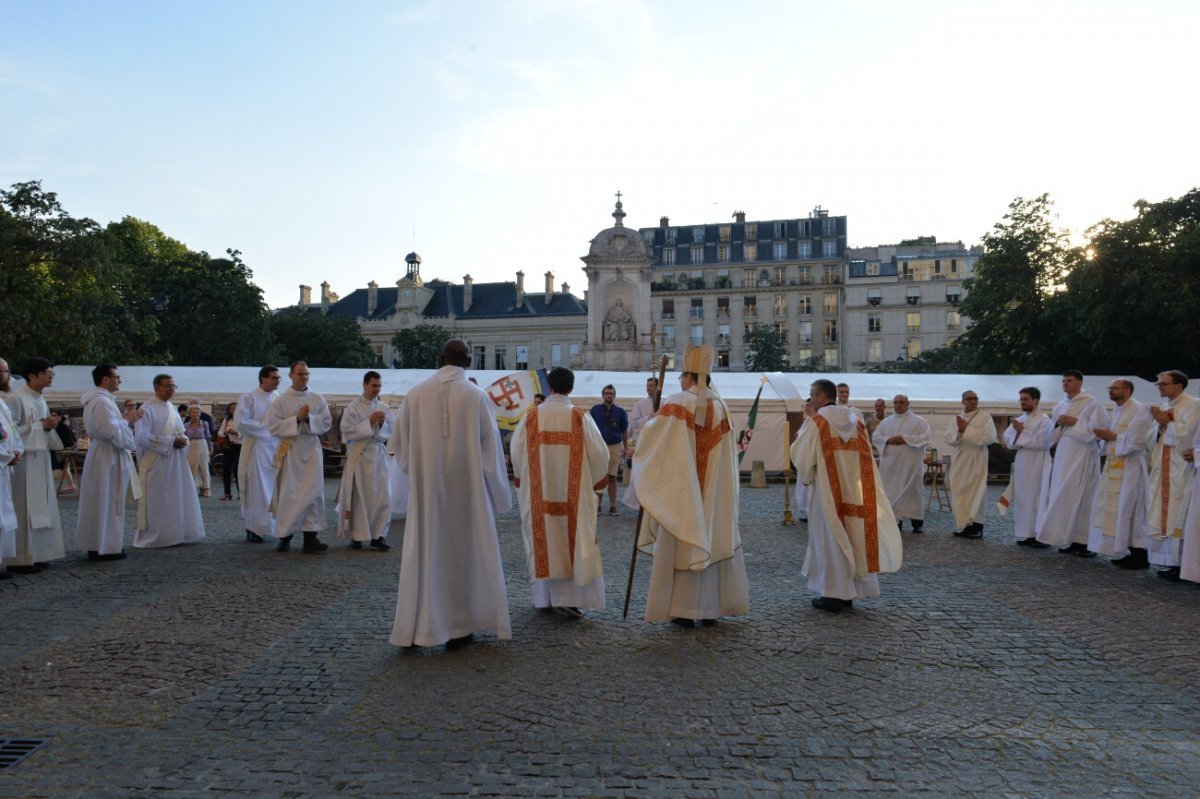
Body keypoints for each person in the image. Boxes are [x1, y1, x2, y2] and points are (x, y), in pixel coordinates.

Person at [390, 340, 512, 650]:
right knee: (463, 555)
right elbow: (491, 452)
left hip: (428, 493)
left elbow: (400, 447)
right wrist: (498, 495)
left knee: (425, 553)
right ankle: (459, 627)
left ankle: (418, 628)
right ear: (468, 361)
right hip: (467, 495)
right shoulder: (476, 396)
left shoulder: (415, 394)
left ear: (440, 358)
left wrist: (419, 472)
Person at [631, 344, 749, 626]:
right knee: (712, 533)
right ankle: (711, 608)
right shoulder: (721, 408)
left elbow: (653, 442)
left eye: (682, 376)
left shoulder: (676, 403)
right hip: (713, 493)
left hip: (683, 494)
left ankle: (683, 610)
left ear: (688, 376)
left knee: (681, 543)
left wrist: (651, 422)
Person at [792, 379, 902, 611]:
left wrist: (804, 469)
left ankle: (833, 594)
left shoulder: (818, 421)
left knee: (829, 541)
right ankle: (850, 592)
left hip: (827, 492)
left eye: (812, 395)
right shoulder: (855, 421)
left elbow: (802, 455)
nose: (810, 399)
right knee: (852, 537)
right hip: (854, 490)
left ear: (822, 397)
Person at [510, 367, 609, 618]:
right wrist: (596, 484)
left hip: (538, 494)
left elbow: (517, 450)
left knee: (544, 540)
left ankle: (544, 599)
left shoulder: (531, 417)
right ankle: (571, 598)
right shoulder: (579, 416)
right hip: (574, 497)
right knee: (574, 541)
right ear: (571, 388)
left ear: (549, 388)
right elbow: (599, 453)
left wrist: (522, 479)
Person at [3, 357, 65, 574]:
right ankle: (20, 557)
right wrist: (40, 426)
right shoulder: (16, 399)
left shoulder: (40, 399)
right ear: (32, 375)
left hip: (40, 459)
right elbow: (11, 432)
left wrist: (48, 426)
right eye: (47, 372)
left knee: (42, 507)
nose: (51, 376)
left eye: (52, 373)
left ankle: (38, 553)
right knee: (24, 507)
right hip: (23, 463)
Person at [1034, 370, 1105, 556]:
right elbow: (1051, 433)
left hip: (1083, 452)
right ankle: (1068, 538)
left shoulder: (1092, 403)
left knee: (1083, 496)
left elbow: (1100, 429)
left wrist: (1076, 421)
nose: (1065, 383)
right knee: (1062, 494)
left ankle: (1084, 542)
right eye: (1063, 381)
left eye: (1070, 380)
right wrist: (1058, 424)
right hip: (1064, 453)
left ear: (1080, 383)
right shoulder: (1060, 405)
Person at [267, 361, 332, 554]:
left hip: (311, 450)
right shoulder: (280, 401)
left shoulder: (317, 398)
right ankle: (285, 537)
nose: (304, 377)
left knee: (313, 493)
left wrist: (309, 419)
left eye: (306, 374)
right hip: (292, 451)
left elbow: (327, 422)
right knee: (290, 493)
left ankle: (310, 538)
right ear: (291, 376)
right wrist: (296, 419)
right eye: (300, 374)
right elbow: (272, 425)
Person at [77, 364, 141, 561]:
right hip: (107, 454)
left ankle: (105, 544)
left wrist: (123, 422)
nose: (120, 380)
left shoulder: (99, 400)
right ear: (105, 379)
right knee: (107, 499)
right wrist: (128, 420)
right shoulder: (102, 402)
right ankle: (102, 546)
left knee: (105, 499)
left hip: (105, 452)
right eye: (117, 377)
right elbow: (109, 431)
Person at [134, 374, 206, 548]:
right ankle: (155, 536)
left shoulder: (172, 408)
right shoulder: (147, 408)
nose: (172, 389)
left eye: (174, 386)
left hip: (175, 461)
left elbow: (181, 431)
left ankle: (174, 534)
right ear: (157, 387)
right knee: (157, 499)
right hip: (156, 461)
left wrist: (183, 440)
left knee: (175, 498)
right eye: (168, 386)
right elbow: (141, 436)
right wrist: (170, 442)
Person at [1087, 379, 1154, 564]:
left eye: (1115, 388)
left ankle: (1140, 555)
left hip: (1130, 467)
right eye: (1110, 388)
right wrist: (1105, 438)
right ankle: (1127, 550)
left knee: (1132, 510)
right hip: (1115, 464)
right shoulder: (1116, 410)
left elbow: (1140, 441)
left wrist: (1112, 437)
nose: (1111, 391)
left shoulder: (1139, 410)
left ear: (1128, 390)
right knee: (1118, 510)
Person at [1146, 370, 1200, 580]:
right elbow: (1149, 438)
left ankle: (1181, 563)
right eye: (1158, 384)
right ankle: (1168, 561)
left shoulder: (1193, 404)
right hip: (1163, 467)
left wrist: (1166, 422)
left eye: (1163, 384)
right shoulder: (1165, 407)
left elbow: (1189, 434)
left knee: (1179, 512)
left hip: (1181, 467)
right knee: (1161, 511)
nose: (1160, 387)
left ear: (1178, 385)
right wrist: (1160, 426)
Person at [336, 370, 392, 551]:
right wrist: (368, 421)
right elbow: (347, 430)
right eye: (374, 385)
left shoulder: (384, 407)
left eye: (379, 386)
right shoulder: (353, 407)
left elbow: (390, 431)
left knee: (381, 496)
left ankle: (378, 535)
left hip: (377, 456)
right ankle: (357, 536)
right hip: (360, 456)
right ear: (365, 385)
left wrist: (382, 424)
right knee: (358, 497)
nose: (377, 389)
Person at [1000, 387, 1053, 547]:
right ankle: (1028, 534)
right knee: (1024, 498)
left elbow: (1043, 442)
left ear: (1035, 401)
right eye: (1021, 399)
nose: (1022, 402)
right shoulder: (1020, 419)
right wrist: (1019, 434)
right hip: (1023, 460)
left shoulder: (1045, 420)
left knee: (1038, 497)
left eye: (1026, 399)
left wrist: (1022, 433)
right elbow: (1008, 440)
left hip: (1038, 461)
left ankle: (1041, 536)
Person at [872, 395, 931, 533]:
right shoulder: (886, 422)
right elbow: (876, 437)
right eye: (895, 403)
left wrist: (905, 439)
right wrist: (888, 440)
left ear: (908, 403)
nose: (898, 405)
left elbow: (926, 437)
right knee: (891, 492)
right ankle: (895, 521)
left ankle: (917, 522)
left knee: (913, 492)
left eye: (901, 402)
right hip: (891, 467)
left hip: (911, 467)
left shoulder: (919, 421)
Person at [236, 366, 281, 543]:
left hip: (275, 448)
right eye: (274, 378)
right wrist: (267, 428)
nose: (277, 381)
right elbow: (241, 422)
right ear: (263, 379)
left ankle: (272, 526)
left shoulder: (278, 398)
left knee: (272, 489)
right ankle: (253, 527)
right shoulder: (249, 397)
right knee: (256, 488)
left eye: (279, 378)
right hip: (256, 447)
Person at [946, 390, 997, 539]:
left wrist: (965, 429)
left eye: (975, 398)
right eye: (969, 399)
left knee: (977, 491)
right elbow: (949, 437)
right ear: (963, 401)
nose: (973, 401)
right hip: (961, 457)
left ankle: (977, 527)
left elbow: (988, 437)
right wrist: (960, 431)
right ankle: (964, 525)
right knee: (960, 491)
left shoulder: (985, 417)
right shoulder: (957, 417)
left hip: (977, 457)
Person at [0, 358, 24, 580]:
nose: (8, 376)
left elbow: (13, 431)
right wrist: (6, 456)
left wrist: (16, 450)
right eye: (5, 371)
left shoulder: (2, 403)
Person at [589, 384, 629, 515]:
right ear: (603, 395)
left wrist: (626, 447)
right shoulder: (595, 410)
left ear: (614, 395)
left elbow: (624, 431)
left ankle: (612, 506)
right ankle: (598, 505)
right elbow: (590, 429)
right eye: (606, 393)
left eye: (611, 393)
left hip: (614, 446)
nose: (609, 395)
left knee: (612, 476)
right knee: (599, 475)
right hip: (599, 446)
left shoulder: (620, 412)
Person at [184, 405, 212, 497]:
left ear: (200, 414)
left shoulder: (204, 423)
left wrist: (210, 448)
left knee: (204, 467)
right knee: (193, 467)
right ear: (189, 414)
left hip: (203, 444)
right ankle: (193, 488)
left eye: (196, 413)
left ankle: (206, 489)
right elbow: (185, 437)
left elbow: (208, 436)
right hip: (191, 445)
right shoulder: (186, 425)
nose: (194, 414)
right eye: (192, 413)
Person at [217, 402, 242, 501]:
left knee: (237, 470)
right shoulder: (226, 420)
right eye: (232, 408)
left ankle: (241, 493)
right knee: (226, 469)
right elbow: (220, 432)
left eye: (236, 408)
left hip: (239, 446)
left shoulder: (242, 420)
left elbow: (246, 433)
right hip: (229, 446)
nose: (234, 410)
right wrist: (226, 433)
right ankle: (227, 493)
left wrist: (236, 433)